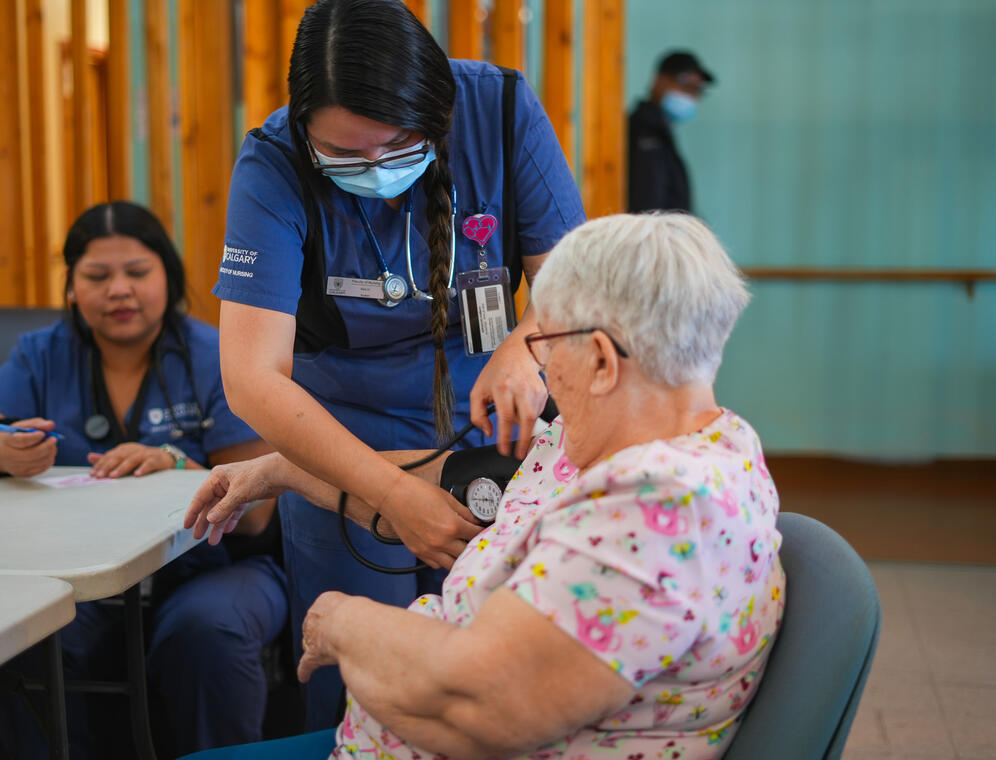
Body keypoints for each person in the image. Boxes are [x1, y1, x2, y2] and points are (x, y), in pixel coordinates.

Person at [185, 213, 786, 759]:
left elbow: (480, 710)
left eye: (545, 347)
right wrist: (282, 470)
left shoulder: (661, 505)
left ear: (602, 362)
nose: (543, 373)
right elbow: (450, 479)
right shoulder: (626, 443)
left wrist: (341, 623)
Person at [215, 0, 585, 728]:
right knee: (359, 687)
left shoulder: (500, 109)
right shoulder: (273, 162)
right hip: (343, 445)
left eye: (398, 146)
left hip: (494, 425)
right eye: (345, 156)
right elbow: (251, 378)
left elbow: (579, 281)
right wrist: (382, 489)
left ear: (438, 111)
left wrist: (523, 343)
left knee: (497, 675)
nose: (378, 170)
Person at [0, 201, 287, 758]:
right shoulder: (42, 354)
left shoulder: (218, 354)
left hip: (217, 569)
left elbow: (256, 515)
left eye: (137, 272)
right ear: (71, 289)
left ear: (168, 277)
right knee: (21, 635)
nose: (119, 291)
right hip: (78, 578)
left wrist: (179, 466)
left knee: (205, 631)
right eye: (97, 276)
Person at [627, 50, 715, 213]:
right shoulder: (640, 131)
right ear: (658, 80)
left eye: (697, 90)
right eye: (686, 85)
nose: (691, 95)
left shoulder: (661, 132)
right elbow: (647, 204)